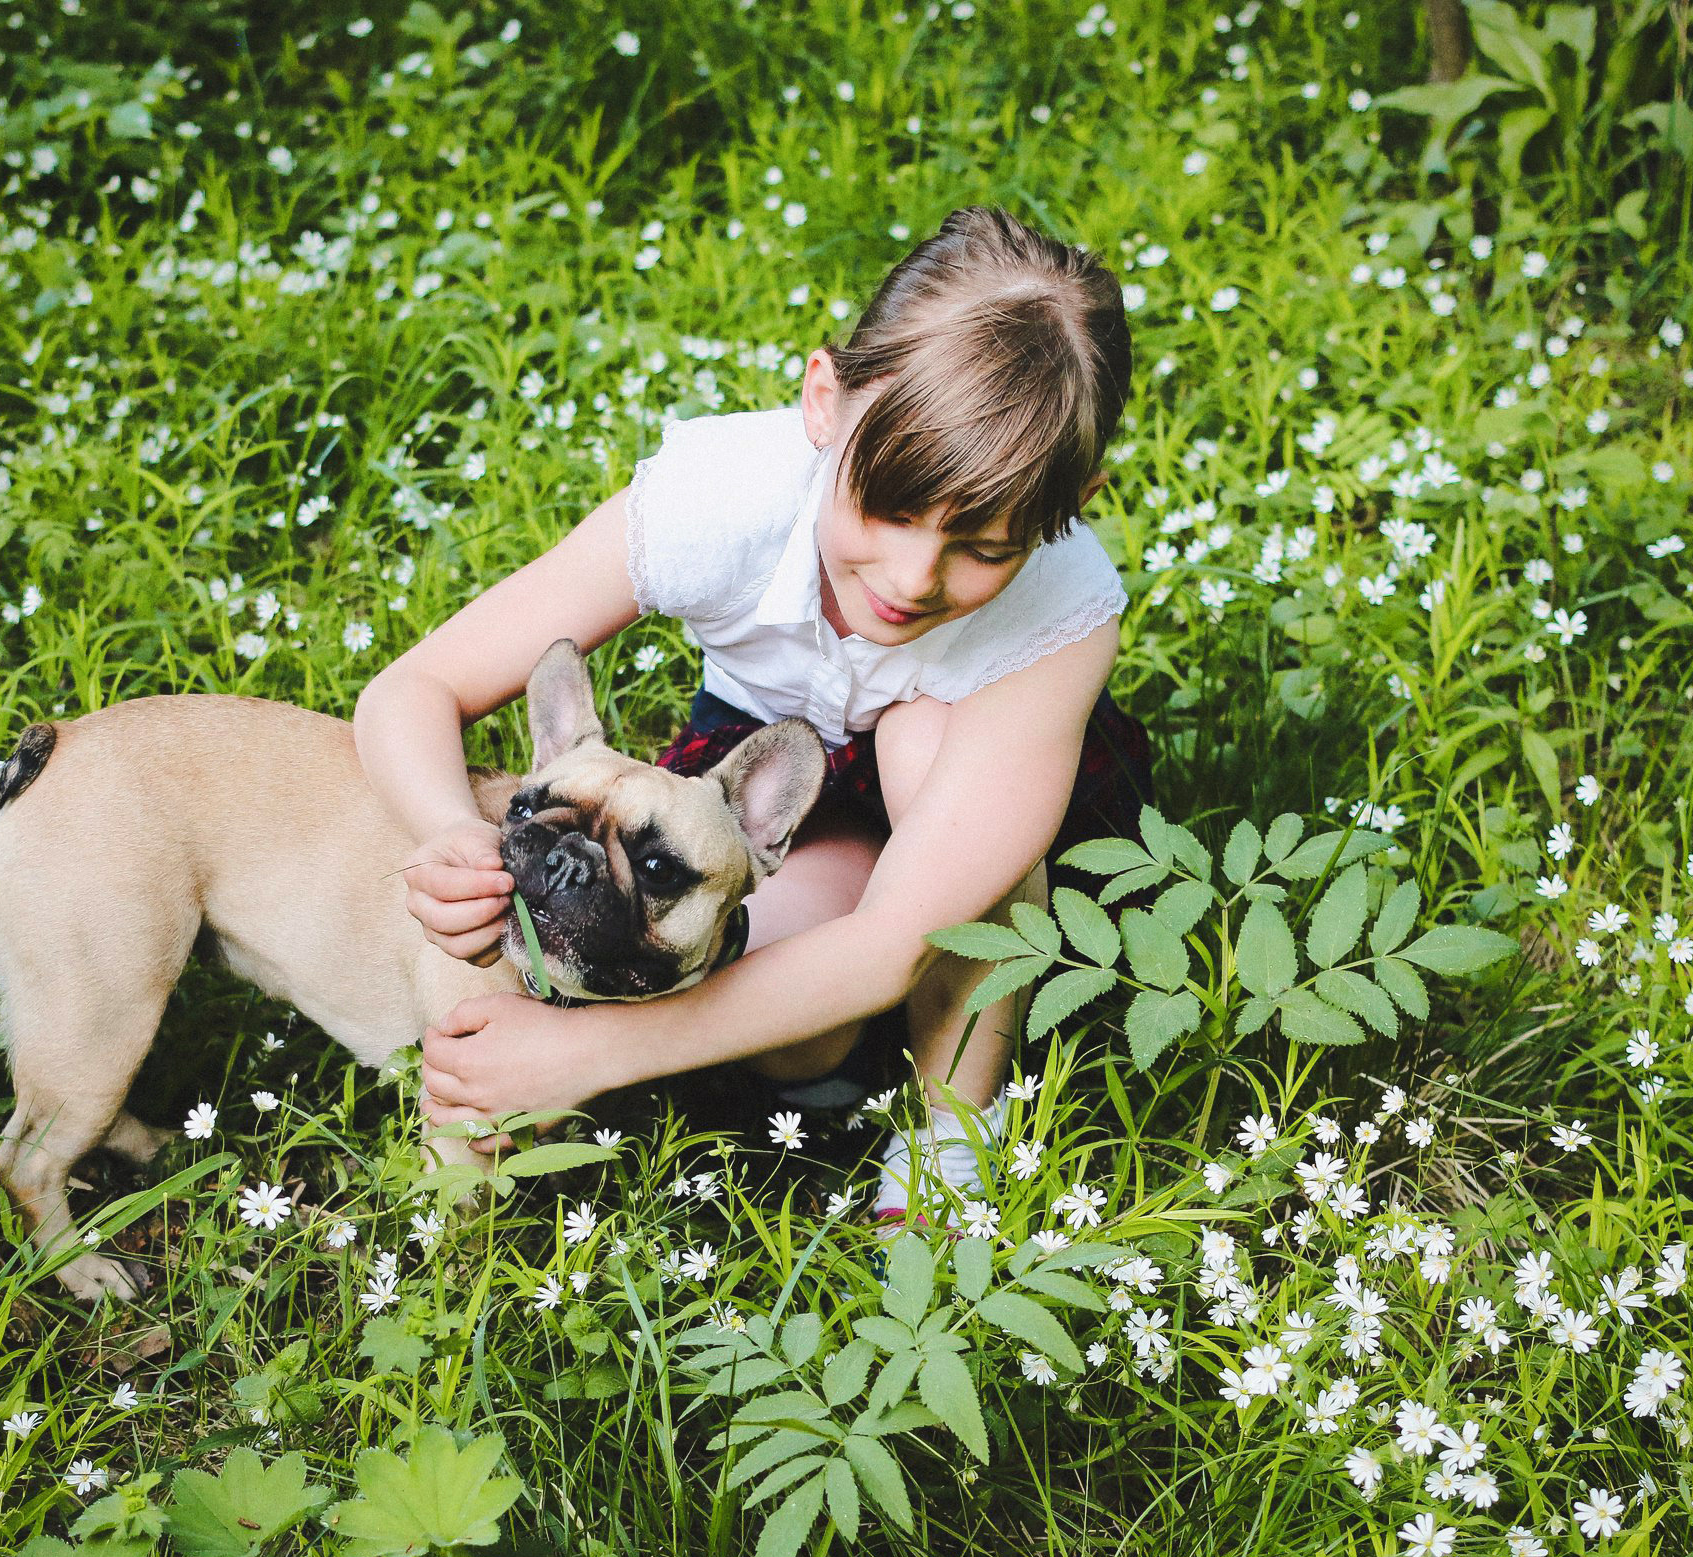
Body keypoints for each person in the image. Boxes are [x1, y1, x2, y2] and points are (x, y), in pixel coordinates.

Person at [351, 204, 1153, 1226]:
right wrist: (455, 837)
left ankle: (957, 1120)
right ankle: (829, 1065)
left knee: (915, 742)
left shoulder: (1062, 611)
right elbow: (411, 692)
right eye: (888, 509)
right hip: (770, 768)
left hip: (972, 822)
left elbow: (899, 937)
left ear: (1073, 501)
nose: (912, 580)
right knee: (792, 1032)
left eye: (984, 547)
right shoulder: (721, 497)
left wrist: (586, 1052)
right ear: (824, 401)